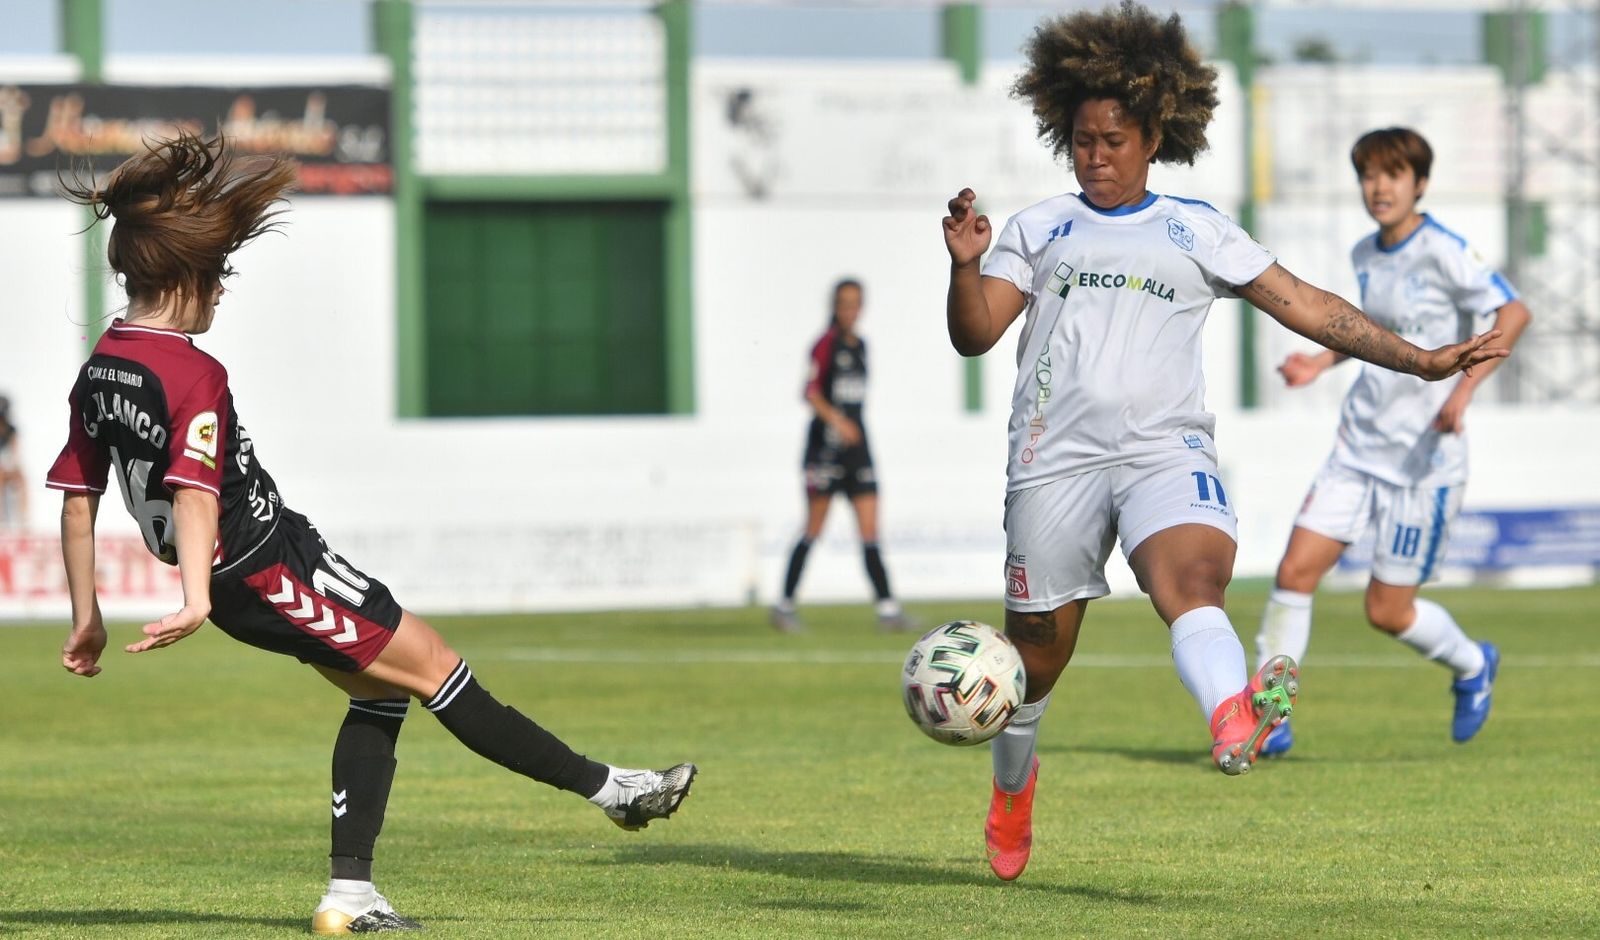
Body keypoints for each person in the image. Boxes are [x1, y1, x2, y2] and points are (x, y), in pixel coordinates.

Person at [46, 134, 696, 935]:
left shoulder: (102, 364)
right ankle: (615, 793)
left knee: (383, 692)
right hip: (263, 569)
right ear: (185, 277)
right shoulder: (194, 374)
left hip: (259, 565)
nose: (222, 297)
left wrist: (88, 614)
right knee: (441, 673)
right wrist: (193, 602)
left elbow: (78, 497)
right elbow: (193, 493)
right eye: (218, 279)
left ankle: (351, 895)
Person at [940, 1, 1507, 882]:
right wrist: (965, 265)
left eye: (1113, 140)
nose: (1095, 155)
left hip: (1167, 454)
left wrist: (1421, 361)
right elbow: (975, 336)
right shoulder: (1037, 227)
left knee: (1193, 581)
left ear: (1152, 134)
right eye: (1082, 139)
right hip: (1051, 464)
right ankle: (1013, 791)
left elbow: (1314, 306)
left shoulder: (1195, 229)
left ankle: (1230, 716)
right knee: (1036, 659)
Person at [1253, 127, 1531, 757]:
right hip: (1358, 447)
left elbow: (1513, 313)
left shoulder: (1444, 250)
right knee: (1295, 572)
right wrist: (1319, 364)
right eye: (1369, 176)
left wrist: (1463, 393)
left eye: (1392, 175)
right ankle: (1271, 712)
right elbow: (1373, 333)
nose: (1378, 187)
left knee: (1387, 610)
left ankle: (1471, 664)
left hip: (1423, 461)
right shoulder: (1366, 252)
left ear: (1420, 184)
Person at [770, 278, 913, 633]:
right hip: (825, 451)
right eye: (844, 303)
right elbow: (810, 391)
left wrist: (854, 429)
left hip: (858, 451)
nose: (849, 310)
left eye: (855, 303)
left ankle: (888, 610)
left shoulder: (862, 346)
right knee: (814, 528)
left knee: (869, 531)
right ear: (834, 306)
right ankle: (784, 606)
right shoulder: (825, 345)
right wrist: (837, 420)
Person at [0, 394, 26, 530]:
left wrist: (11, 467)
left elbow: (14, 454)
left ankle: (23, 520)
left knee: (21, 477)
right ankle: (2, 520)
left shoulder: (11, 431)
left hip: (6, 468)